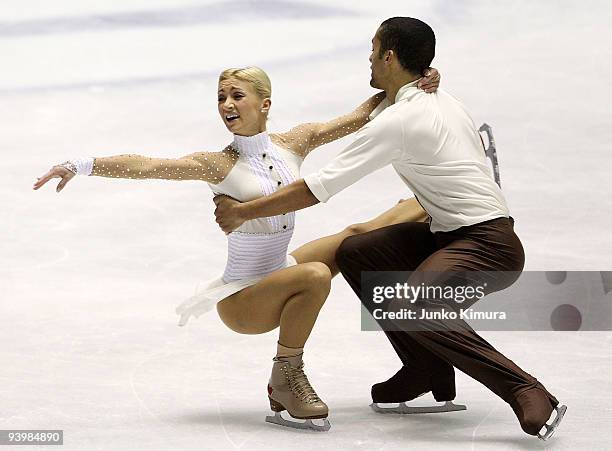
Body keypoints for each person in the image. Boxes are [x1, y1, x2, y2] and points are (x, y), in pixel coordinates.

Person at [32, 65, 440, 432]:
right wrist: (81, 163)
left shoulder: (293, 142)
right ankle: (286, 376)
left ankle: (435, 204)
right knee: (315, 275)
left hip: (280, 267)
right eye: (221, 97)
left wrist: (414, 85)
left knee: (356, 235)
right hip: (244, 298)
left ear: (265, 104)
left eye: (236, 95)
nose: (226, 104)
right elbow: (148, 165)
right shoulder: (217, 164)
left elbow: (357, 117)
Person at [213, 18, 567, 441]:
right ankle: (426, 368)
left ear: (389, 56)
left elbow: (315, 189)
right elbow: (375, 106)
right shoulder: (427, 99)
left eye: (374, 48)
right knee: (358, 251)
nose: (369, 56)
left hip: (487, 244)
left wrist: (244, 212)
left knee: (420, 305)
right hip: (448, 235)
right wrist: (425, 75)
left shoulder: (402, 118)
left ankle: (526, 389)